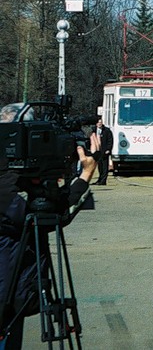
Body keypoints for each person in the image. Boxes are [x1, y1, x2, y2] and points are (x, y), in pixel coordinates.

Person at [0, 109, 96, 350]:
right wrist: (85, 175)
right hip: (6, 285)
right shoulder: (6, 186)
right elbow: (52, 215)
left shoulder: (12, 177)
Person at [92, 118, 114, 186]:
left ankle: (103, 181)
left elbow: (110, 140)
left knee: (105, 166)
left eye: (100, 122)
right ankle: (99, 179)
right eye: (98, 122)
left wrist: (108, 149)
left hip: (104, 151)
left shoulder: (107, 130)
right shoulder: (94, 130)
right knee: (99, 166)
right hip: (97, 151)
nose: (99, 124)